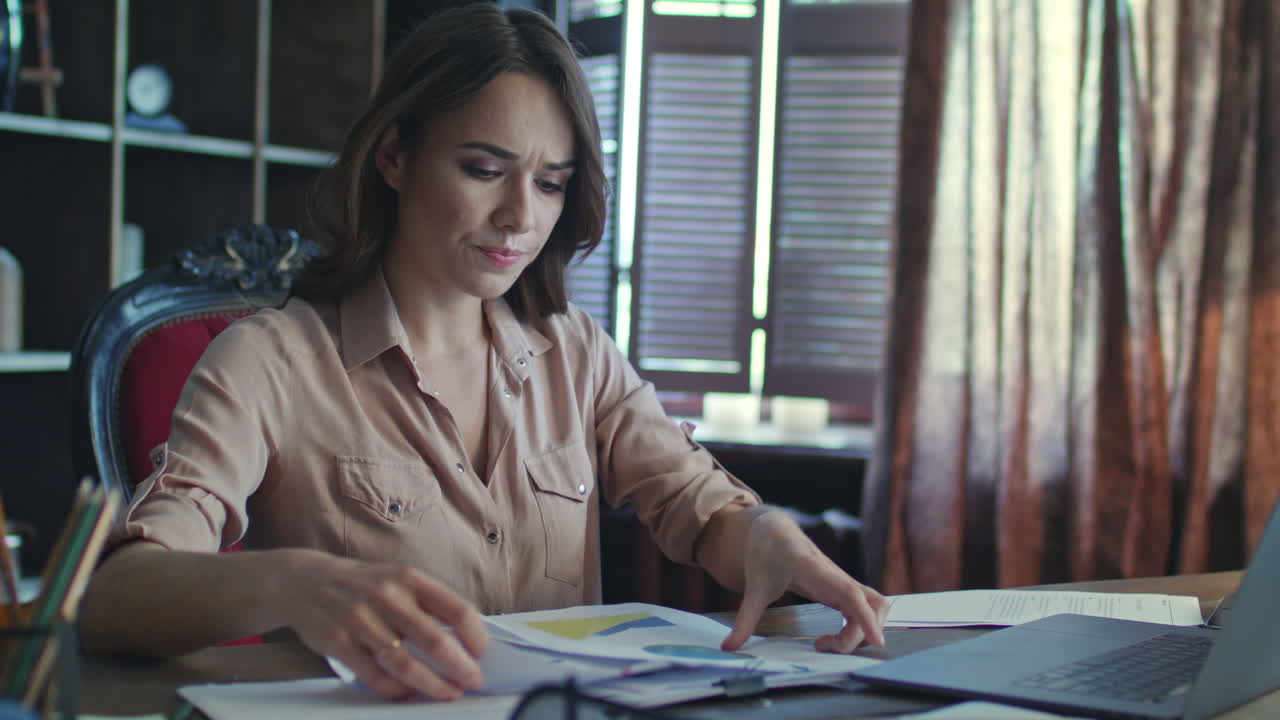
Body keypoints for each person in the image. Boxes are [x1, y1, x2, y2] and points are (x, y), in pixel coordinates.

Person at [79, 2, 889, 703]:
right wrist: (297, 582)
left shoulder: (576, 353)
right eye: (483, 169)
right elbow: (114, 597)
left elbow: (694, 501)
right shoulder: (269, 362)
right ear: (394, 157)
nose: (519, 219)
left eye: (550, 183)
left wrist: (763, 536)